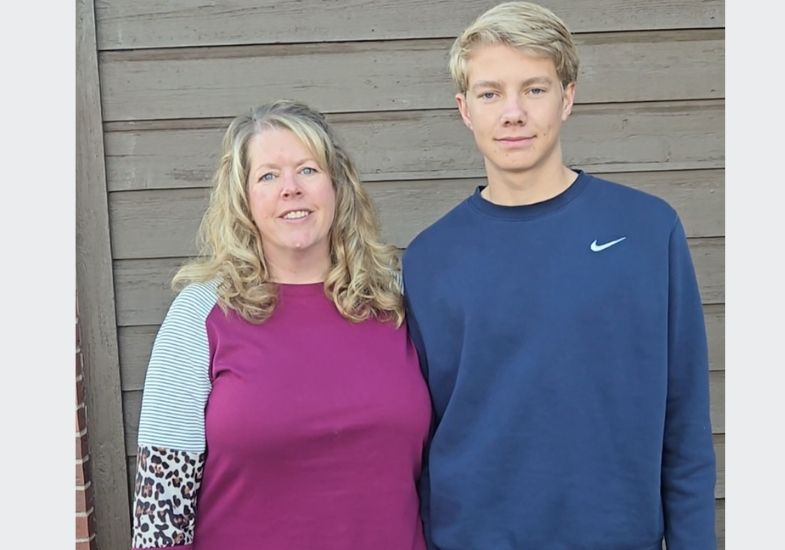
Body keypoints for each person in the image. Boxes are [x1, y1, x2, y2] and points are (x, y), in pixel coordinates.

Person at [401, 2, 716, 549]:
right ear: (464, 109)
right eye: (490, 92)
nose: (513, 112)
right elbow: (419, 431)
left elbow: (684, 421)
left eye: (535, 89)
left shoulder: (646, 230)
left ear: (567, 97)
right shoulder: (430, 257)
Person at [130, 99, 432, 550]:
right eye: (268, 175)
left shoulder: (398, 299)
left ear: (337, 185)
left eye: (307, 169)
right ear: (244, 200)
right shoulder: (201, 314)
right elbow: (162, 508)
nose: (290, 188)